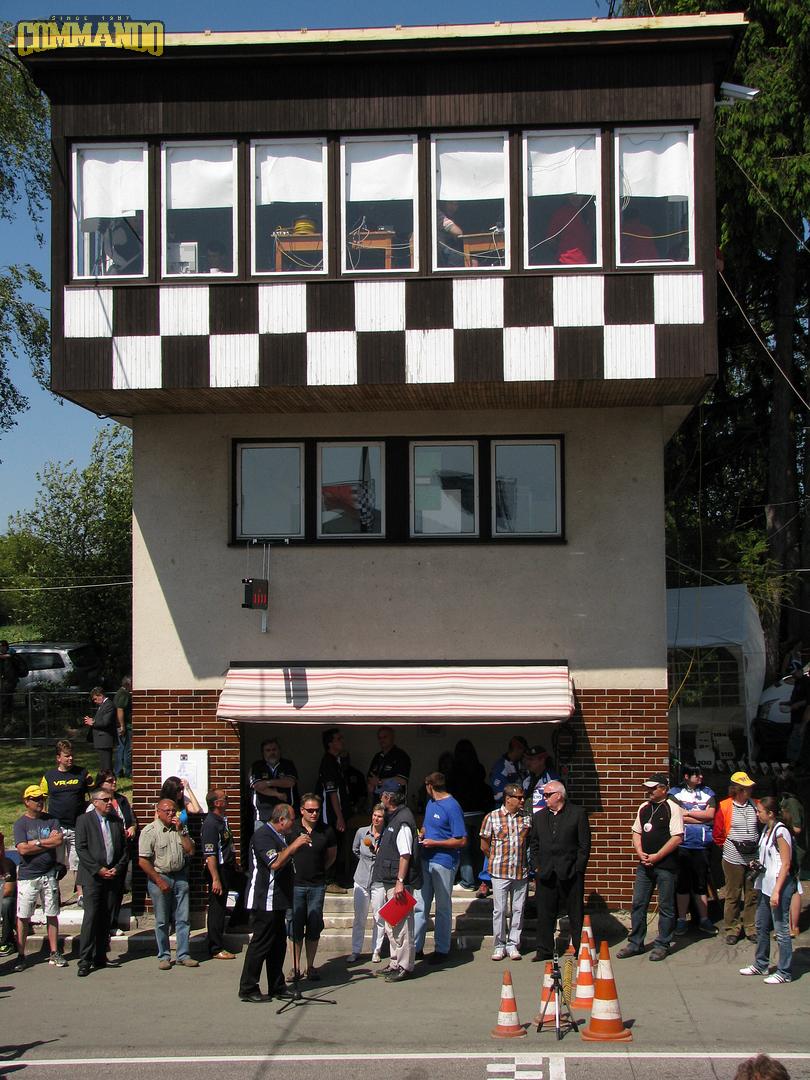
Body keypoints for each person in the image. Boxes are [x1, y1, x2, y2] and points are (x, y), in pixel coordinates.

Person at [238, 803, 312, 1003]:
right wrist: (294, 846)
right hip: (265, 899)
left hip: (279, 899)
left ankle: (277, 985)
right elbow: (275, 862)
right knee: (261, 944)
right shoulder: (263, 836)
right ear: (281, 820)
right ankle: (248, 987)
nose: (293, 824)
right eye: (291, 820)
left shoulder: (280, 836)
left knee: (278, 944)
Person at [616, 772, 684, 961]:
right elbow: (636, 832)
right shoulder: (644, 807)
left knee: (666, 906)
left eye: (653, 788)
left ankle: (662, 944)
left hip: (666, 866)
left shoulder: (672, 808)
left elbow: (677, 837)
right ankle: (635, 943)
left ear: (664, 789)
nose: (649, 791)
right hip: (645, 865)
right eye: (647, 788)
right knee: (638, 903)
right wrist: (640, 852)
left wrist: (657, 856)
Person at [529, 779, 591, 962]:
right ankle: (544, 949)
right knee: (545, 913)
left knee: (575, 913)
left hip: (570, 872)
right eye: (544, 795)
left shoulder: (577, 814)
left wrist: (578, 868)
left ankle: (580, 948)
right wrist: (536, 866)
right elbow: (534, 844)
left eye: (548, 795)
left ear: (559, 795)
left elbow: (584, 845)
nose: (545, 798)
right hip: (546, 872)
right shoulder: (540, 817)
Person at [739, 796, 796, 984]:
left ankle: (784, 972)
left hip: (779, 885)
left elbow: (785, 864)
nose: (757, 814)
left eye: (759, 811)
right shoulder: (766, 830)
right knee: (761, 925)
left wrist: (777, 891)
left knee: (781, 928)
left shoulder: (781, 831)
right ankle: (761, 964)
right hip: (765, 884)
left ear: (770, 813)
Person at [137, 797, 198, 970]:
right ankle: (164, 956)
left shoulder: (181, 828)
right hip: (160, 876)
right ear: (158, 812)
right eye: (167, 811)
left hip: (180, 876)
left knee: (183, 918)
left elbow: (190, 850)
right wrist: (158, 880)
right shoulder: (150, 831)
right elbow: (143, 860)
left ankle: (183, 955)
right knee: (162, 920)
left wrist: (181, 832)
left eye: (173, 811)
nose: (171, 814)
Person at [371, 780, 421, 983]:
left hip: (397, 883)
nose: (380, 798)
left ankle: (404, 966)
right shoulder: (394, 818)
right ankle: (394, 962)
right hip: (389, 879)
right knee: (392, 925)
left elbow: (405, 854)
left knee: (401, 926)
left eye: (382, 795)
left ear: (389, 798)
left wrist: (400, 881)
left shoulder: (403, 820)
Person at [74, 787, 128, 976]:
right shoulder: (84, 820)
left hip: (112, 876)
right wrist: (98, 869)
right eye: (105, 800)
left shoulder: (116, 821)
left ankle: (100, 955)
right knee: (92, 916)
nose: (109, 803)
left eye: (110, 799)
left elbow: (123, 850)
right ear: (95, 802)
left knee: (106, 916)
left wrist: (117, 868)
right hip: (92, 877)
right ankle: (85, 960)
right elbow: (81, 848)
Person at [414, 772, 466, 964]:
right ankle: (416, 947)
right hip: (426, 859)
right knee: (420, 905)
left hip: (444, 861)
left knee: (443, 906)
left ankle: (442, 949)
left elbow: (461, 840)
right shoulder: (431, 803)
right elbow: (427, 827)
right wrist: (422, 834)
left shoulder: (452, 806)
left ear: (430, 786)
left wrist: (435, 843)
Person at [13, 785, 66, 971]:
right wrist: (46, 843)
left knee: (52, 913)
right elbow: (22, 849)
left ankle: (54, 951)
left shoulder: (51, 820)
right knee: (24, 916)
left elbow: (58, 840)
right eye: (35, 799)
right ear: (26, 801)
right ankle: (21, 955)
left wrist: (35, 843)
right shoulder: (21, 824)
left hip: (49, 874)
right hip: (28, 877)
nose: (40, 802)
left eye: (42, 798)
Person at [285, 792, 336, 981]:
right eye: (310, 810)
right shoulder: (292, 829)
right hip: (295, 885)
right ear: (302, 810)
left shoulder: (326, 830)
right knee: (295, 926)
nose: (314, 814)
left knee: (314, 925)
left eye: (317, 810)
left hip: (317, 885)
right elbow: (284, 854)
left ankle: (310, 966)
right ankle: (295, 967)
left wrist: (321, 870)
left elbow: (331, 855)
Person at [480, 782, 531, 961]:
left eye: (523, 797)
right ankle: (499, 945)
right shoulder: (492, 817)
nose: (522, 800)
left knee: (518, 908)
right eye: (519, 797)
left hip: (520, 871)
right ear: (508, 799)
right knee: (500, 910)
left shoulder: (526, 817)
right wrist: (494, 858)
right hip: (499, 871)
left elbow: (530, 840)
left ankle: (513, 944)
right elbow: (484, 844)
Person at [40, 739, 93, 905]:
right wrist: (45, 824)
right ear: (58, 758)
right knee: (56, 863)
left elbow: (94, 794)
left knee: (77, 862)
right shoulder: (48, 777)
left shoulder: (83, 773)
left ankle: (81, 895)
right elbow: (42, 801)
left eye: (72, 755)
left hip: (77, 825)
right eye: (66, 756)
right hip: (57, 828)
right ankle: (54, 895)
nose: (70, 758)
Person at [668, 765, 718, 936]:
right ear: (687, 776)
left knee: (700, 884)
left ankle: (704, 919)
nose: (700, 777)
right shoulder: (675, 793)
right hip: (682, 845)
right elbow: (676, 815)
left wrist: (688, 814)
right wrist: (699, 816)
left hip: (702, 845)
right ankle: (681, 919)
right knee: (682, 884)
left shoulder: (708, 793)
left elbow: (710, 816)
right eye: (696, 775)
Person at [713, 771, 761, 944]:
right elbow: (718, 833)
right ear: (738, 789)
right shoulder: (725, 806)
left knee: (752, 894)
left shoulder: (756, 804)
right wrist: (727, 847)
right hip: (733, 857)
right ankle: (732, 928)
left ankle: (750, 926)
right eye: (746, 788)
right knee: (733, 894)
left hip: (753, 857)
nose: (750, 790)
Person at [91, 769, 137, 935]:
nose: (114, 783)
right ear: (101, 783)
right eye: (110, 781)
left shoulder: (122, 800)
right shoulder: (94, 805)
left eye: (114, 780)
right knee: (104, 892)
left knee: (119, 888)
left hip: (122, 849)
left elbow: (132, 820)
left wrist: (132, 828)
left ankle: (113, 922)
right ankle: (103, 924)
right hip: (104, 853)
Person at [201, 788, 241, 960]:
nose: (228, 800)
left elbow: (226, 845)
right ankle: (215, 947)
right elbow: (210, 854)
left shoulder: (222, 820)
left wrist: (235, 863)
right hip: (218, 870)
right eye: (226, 798)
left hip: (229, 868)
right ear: (217, 803)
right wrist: (215, 879)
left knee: (247, 886)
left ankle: (236, 922)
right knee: (217, 908)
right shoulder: (210, 824)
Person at [448, 739, 491, 890]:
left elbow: (451, 790)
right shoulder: (478, 768)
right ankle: (480, 878)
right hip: (479, 812)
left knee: (464, 848)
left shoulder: (455, 770)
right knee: (479, 847)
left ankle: (467, 880)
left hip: (463, 812)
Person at [348, 803, 386, 963]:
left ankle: (376, 950)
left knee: (379, 916)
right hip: (361, 878)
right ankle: (355, 950)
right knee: (359, 917)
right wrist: (365, 861)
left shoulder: (387, 835)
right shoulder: (362, 832)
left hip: (379, 880)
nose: (376, 819)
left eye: (380, 816)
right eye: (374, 815)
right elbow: (355, 849)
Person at [317, 727, 350, 888]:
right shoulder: (328, 762)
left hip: (337, 814)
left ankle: (335, 879)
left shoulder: (337, 761)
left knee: (339, 845)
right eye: (338, 739)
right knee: (332, 846)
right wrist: (339, 817)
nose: (342, 741)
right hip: (330, 815)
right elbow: (332, 793)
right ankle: (329, 880)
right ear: (330, 743)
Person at [777, 770, 806, 936]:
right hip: (790, 847)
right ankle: (787, 924)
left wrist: (781, 827)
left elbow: (797, 827)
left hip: (794, 849)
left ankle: (793, 926)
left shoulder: (792, 802)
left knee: (793, 886)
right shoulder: (786, 800)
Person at [249, 737, 299, 823]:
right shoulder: (257, 766)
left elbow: (290, 782)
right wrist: (277, 794)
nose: (272, 753)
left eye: (274, 749)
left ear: (279, 750)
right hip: (263, 815)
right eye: (268, 750)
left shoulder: (288, 764)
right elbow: (257, 786)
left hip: (286, 814)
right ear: (263, 753)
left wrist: (268, 783)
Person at [367, 726, 411, 800]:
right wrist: (371, 785)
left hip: (395, 803)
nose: (382, 740)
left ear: (392, 737)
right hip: (378, 802)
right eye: (379, 738)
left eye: (385, 737)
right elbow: (370, 778)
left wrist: (380, 781)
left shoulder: (401, 756)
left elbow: (402, 781)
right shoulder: (377, 756)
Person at [83, 687, 116, 774]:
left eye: (95, 699)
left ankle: (109, 780)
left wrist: (93, 723)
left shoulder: (109, 705)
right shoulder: (103, 706)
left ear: (100, 695)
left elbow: (105, 722)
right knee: (103, 765)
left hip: (105, 739)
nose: (94, 701)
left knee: (107, 766)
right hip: (101, 740)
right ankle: (104, 780)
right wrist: (93, 720)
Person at [489, 735, 528, 808]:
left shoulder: (521, 764)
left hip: (518, 805)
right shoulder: (501, 767)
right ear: (517, 749)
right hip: (503, 806)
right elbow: (497, 793)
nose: (524, 754)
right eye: (523, 751)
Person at [522, 745, 560, 812]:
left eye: (531, 759)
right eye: (528, 759)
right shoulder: (527, 780)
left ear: (542, 760)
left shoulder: (552, 779)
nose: (528, 763)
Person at [1, 831, 18, 956]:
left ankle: (7, 942)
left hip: (3, 898)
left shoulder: (7, 864)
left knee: (7, 903)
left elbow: (8, 891)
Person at [113, 676, 132, 778]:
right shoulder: (124, 694)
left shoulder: (120, 693)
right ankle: (127, 771)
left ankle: (119, 771)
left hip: (121, 725)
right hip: (125, 726)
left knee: (121, 748)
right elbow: (120, 709)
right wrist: (122, 726)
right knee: (126, 749)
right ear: (128, 684)